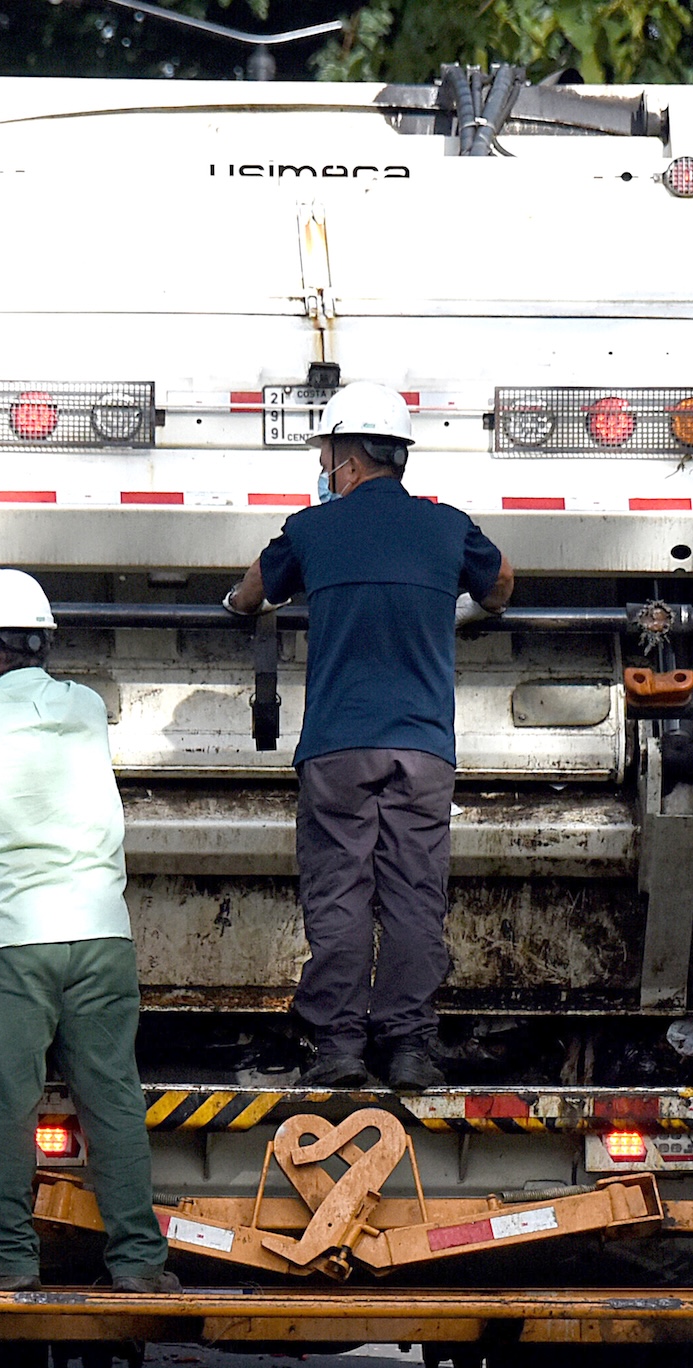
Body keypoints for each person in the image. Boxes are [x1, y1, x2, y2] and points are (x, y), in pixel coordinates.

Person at [0, 569, 177, 1294]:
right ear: (43, 643)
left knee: (3, 1107)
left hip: (14, 944)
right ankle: (140, 1261)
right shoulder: (85, 707)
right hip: (102, 936)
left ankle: (9, 1261)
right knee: (111, 1095)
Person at [222, 381, 515, 1092]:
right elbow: (502, 581)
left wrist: (235, 604)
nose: (322, 463)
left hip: (337, 748)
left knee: (340, 893)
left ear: (348, 456)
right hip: (421, 750)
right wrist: (466, 607)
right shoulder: (447, 527)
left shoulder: (313, 529)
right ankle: (410, 1046)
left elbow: (253, 589)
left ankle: (340, 1046)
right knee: (416, 893)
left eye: (325, 450)